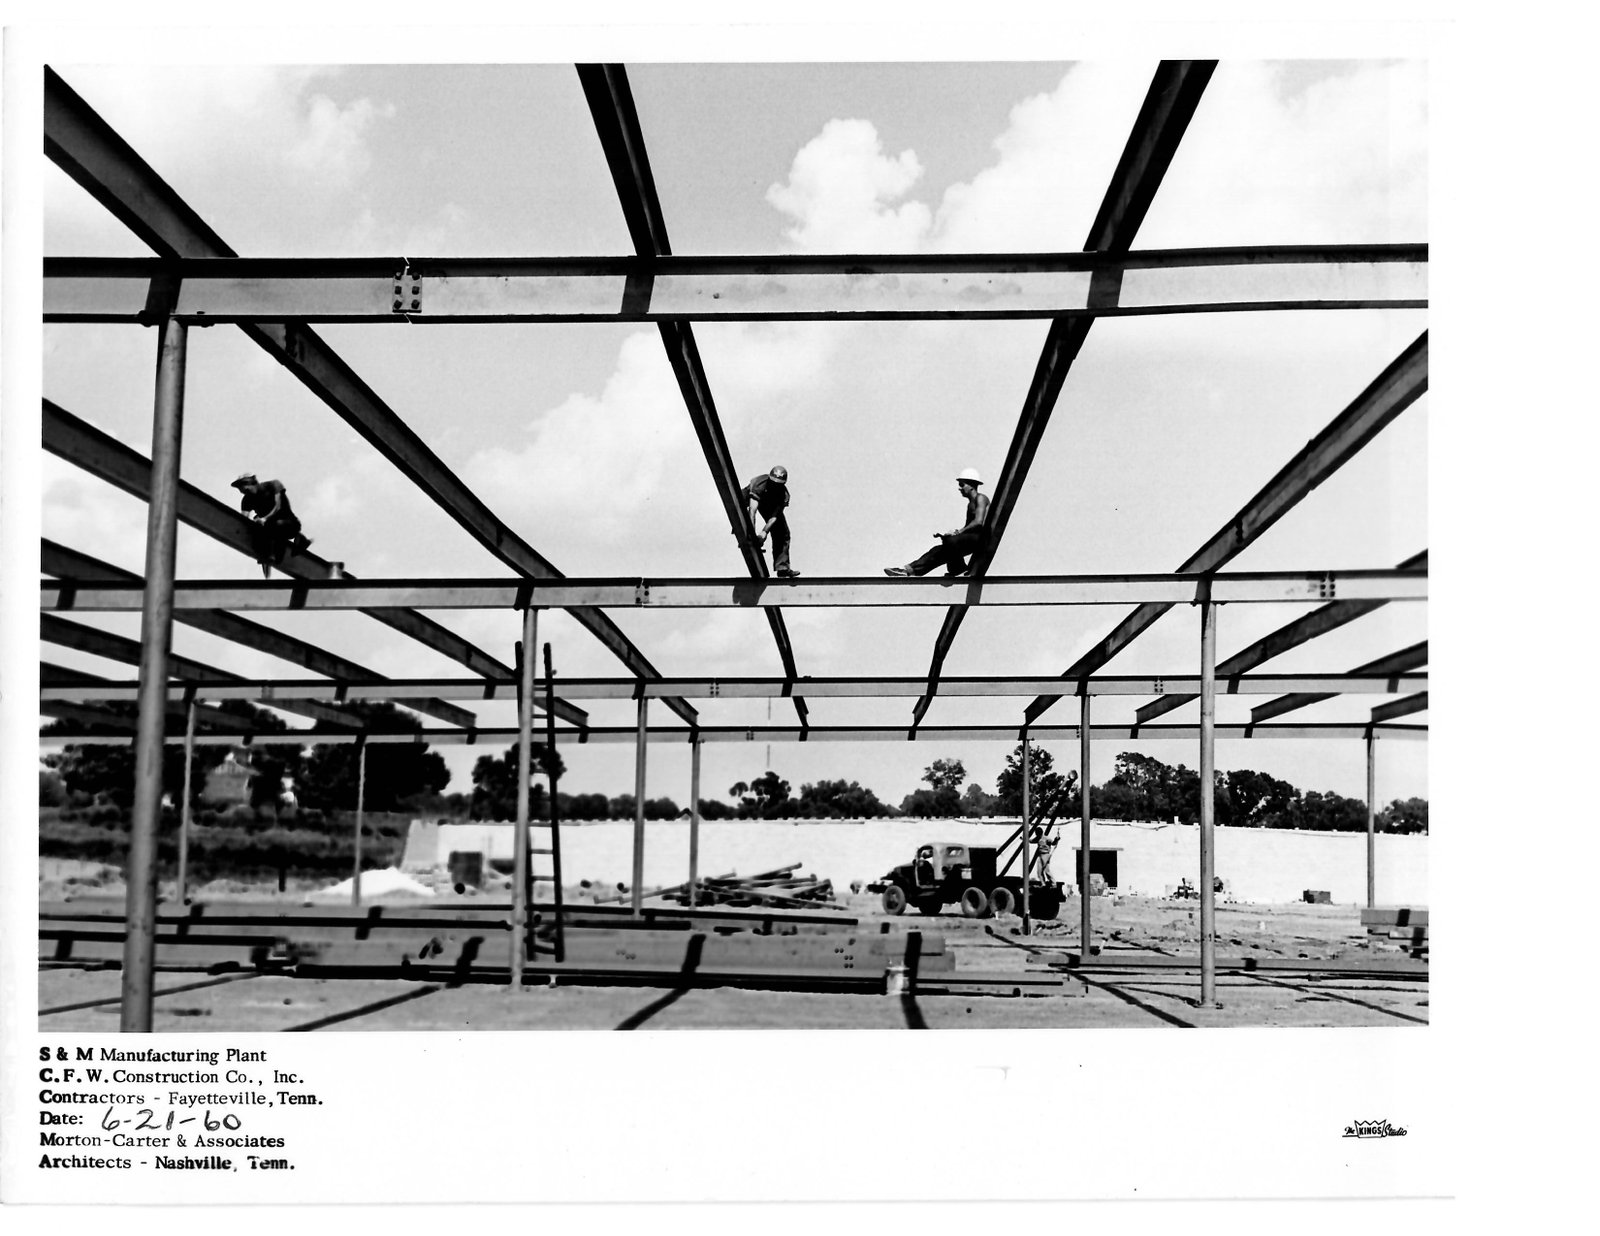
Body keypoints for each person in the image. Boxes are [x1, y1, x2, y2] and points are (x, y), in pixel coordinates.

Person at [885, 467, 989, 576]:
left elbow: (978, 522)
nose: (959, 488)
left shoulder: (981, 498)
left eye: (961, 485)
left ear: (971, 485)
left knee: (950, 541)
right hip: (971, 538)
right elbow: (969, 527)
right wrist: (948, 535)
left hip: (980, 539)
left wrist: (957, 532)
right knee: (938, 551)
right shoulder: (970, 504)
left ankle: (957, 568)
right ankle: (909, 571)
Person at [231, 473, 311, 577]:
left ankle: (299, 539)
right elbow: (243, 517)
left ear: (252, 483)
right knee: (260, 533)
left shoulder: (273, 485)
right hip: (269, 529)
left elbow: (278, 506)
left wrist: (264, 519)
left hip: (288, 524)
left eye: (243, 487)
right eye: (240, 489)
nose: (243, 491)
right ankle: (267, 556)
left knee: (275, 527)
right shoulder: (247, 500)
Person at [741, 464, 800, 578]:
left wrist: (764, 532)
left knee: (782, 531)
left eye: (778, 484)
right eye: (773, 483)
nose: (775, 486)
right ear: (769, 479)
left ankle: (782, 568)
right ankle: (743, 531)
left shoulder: (783, 495)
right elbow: (753, 510)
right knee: (739, 504)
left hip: (769, 504)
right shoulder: (759, 484)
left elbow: (774, 516)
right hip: (751, 497)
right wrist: (752, 534)